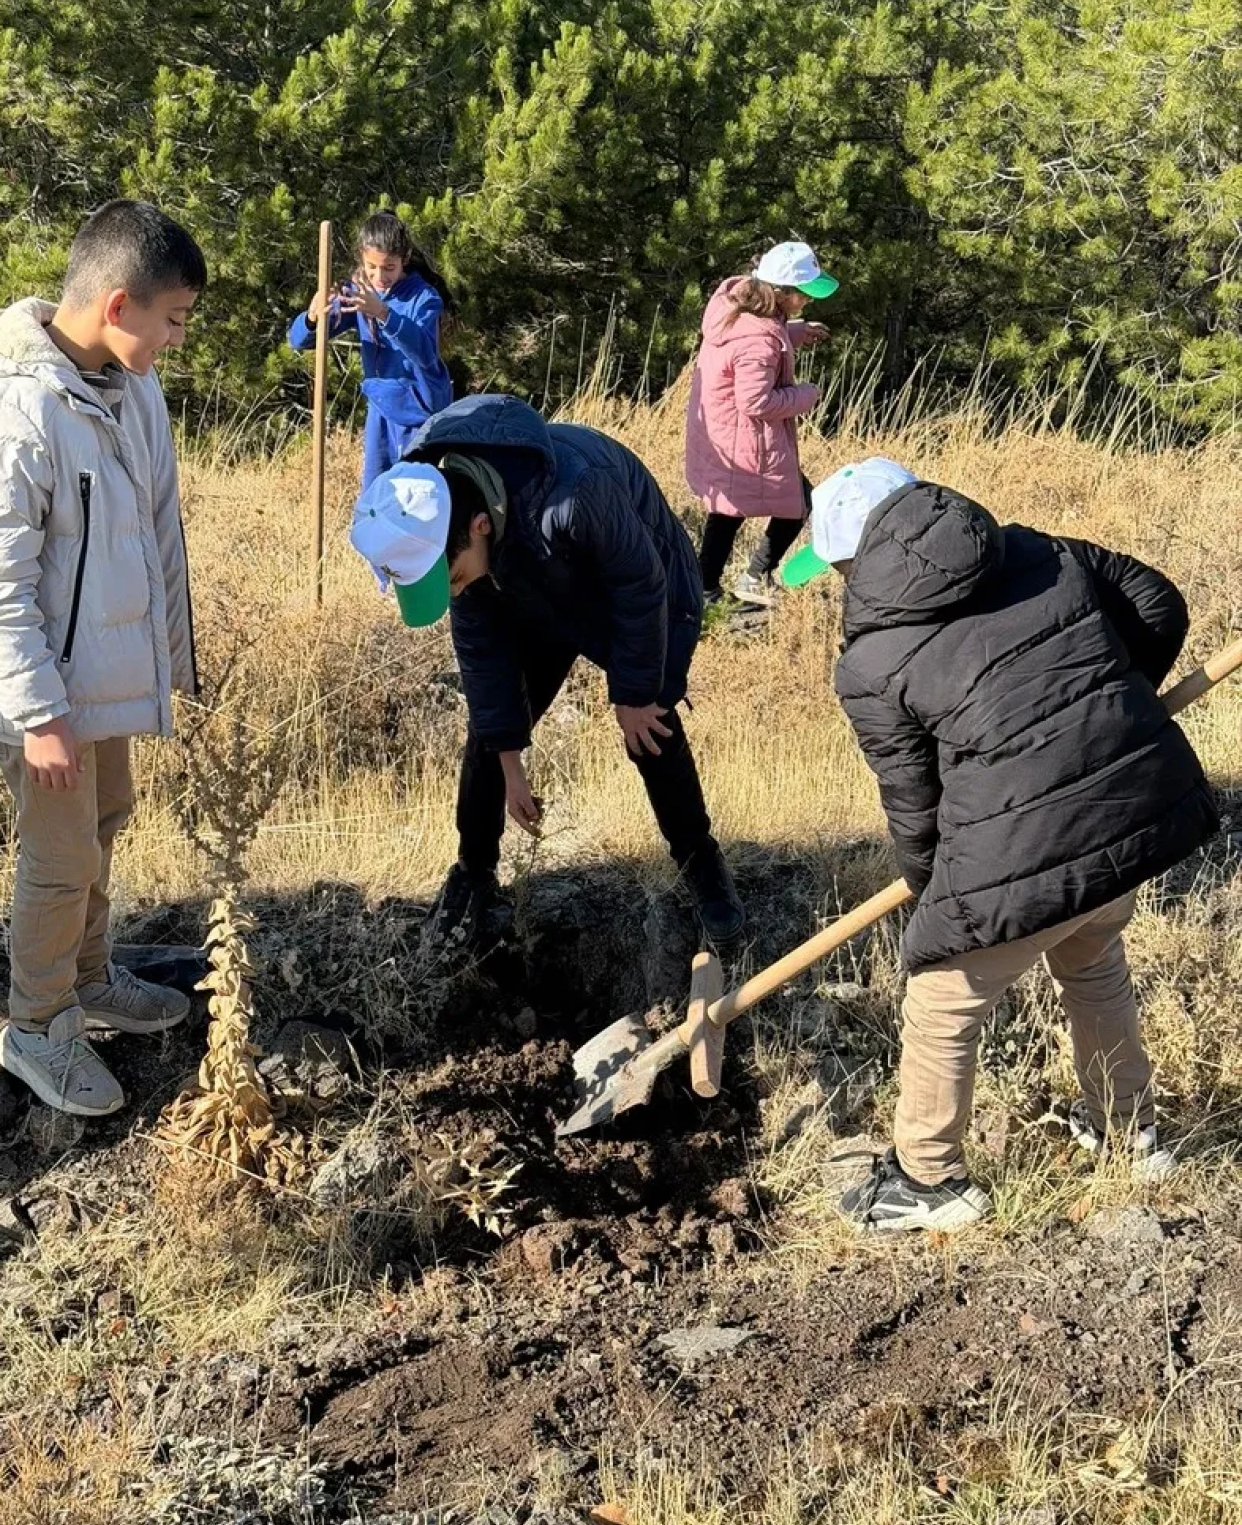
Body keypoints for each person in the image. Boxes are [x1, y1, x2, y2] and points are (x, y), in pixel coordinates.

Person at [778, 458, 1219, 1232]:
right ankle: (1129, 1131)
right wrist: (1106, 708)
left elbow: (914, 807)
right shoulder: (1035, 549)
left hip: (1026, 831)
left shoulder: (871, 663)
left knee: (943, 994)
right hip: (1128, 803)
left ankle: (928, 1179)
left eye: (838, 565)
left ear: (858, 556)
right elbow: (1158, 601)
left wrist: (933, 894)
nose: (839, 578)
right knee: (1091, 953)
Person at [0, 200, 205, 1117]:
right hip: (38, 697)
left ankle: (92, 975)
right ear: (115, 305)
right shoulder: (12, 411)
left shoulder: (130, 387)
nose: (178, 339)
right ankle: (37, 1026)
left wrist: (165, 659)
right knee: (58, 858)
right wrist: (38, 716)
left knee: (108, 813)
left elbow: (152, 532)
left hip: (99, 675)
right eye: (173, 319)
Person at [347, 393, 746, 949]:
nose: (455, 590)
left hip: (638, 588)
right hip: (530, 587)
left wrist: (631, 694)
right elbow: (485, 667)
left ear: (480, 526)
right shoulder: (449, 533)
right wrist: (511, 763)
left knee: (649, 725)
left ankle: (702, 865)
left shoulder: (574, 494)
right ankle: (473, 871)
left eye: (455, 578)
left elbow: (640, 587)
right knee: (489, 734)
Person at [685, 240, 836, 608]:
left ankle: (705, 589)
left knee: (726, 511)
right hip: (744, 437)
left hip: (724, 431)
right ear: (781, 293)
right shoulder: (760, 340)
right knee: (799, 503)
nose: (807, 301)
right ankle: (755, 575)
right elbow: (756, 401)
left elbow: (756, 340)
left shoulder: (736, 307)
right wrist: (806, 395)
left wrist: (795, 332)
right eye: (802, 295)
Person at [288, 210, 453, 495]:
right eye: (371, 267)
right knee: (377, 497)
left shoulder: (424, 298)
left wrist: (382, 313)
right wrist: (312, 318)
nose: (379, 276)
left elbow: (426, 354)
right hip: (381, 408)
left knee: (415, 499)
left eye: (389, 267)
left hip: (420, 413)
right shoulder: (357, 291)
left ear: (405, 258)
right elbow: (299, 340)